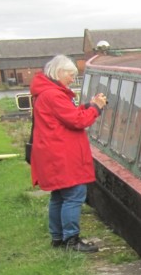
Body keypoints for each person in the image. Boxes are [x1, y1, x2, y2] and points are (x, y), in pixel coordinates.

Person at [29, 55, 107, 253]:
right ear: (59, 72)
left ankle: (58, 238)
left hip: (51, 152)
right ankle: (71, 240)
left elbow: (67, 116)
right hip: (62, 154)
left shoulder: (45, 93)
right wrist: (96, 108)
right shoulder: (54, 95)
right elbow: (77, 121)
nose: (73, 79)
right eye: (71, 75)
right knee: (74, 195)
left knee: (59, 196)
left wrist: (87, 107)